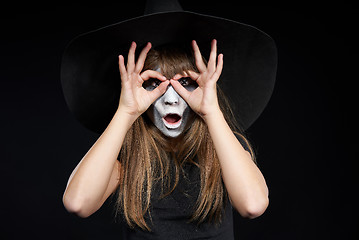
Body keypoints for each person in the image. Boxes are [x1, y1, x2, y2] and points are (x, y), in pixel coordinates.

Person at [63, 39, 269, 239]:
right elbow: (78, 203)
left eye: (185, 83)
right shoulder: (124, 153)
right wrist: (126, 112)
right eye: (154, 84)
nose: (171, 99)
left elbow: (253, 205)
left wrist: (211, 111)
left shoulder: (224, 146)